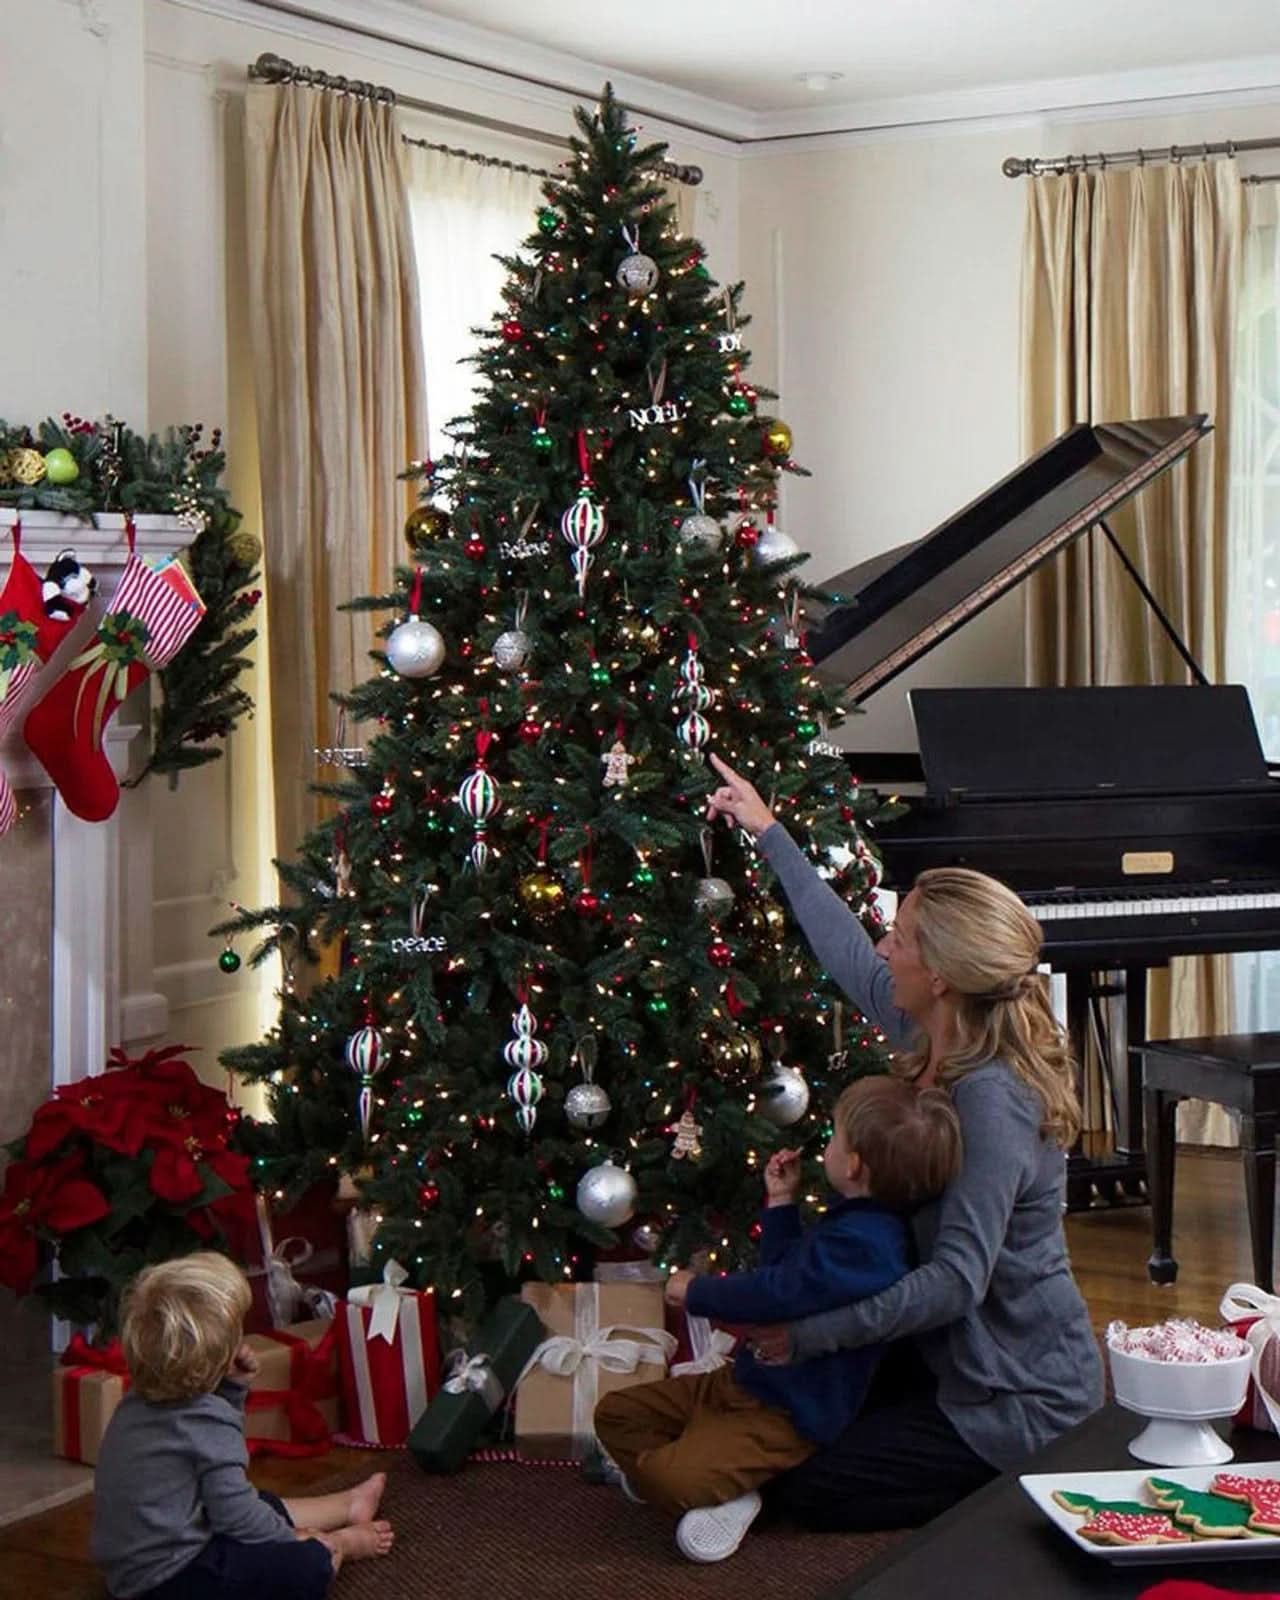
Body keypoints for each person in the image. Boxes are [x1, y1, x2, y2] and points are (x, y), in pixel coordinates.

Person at [702, 752, 1104, 1533]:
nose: (886, 947)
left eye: (903, 937)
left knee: (799, 1484)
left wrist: (810, 1334)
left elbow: (958, 1282)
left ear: (944, 976)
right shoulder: (932, 1027)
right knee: (781, 1420)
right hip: (945, 1357)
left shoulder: (992, 1098)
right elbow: (846, 953)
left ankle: (1019, 1486)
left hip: (1016, 1394)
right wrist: (768, 829)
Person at [595, 1074, 963, 1563]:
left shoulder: (869, 1246)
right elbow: (787, 1274)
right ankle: (726, 1477)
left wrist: (699, 1291)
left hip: (784, 1416)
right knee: (615, 1415)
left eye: (835, 1136)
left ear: (853, 1164)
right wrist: (782, 1205)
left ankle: (741, 1484)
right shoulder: (851, 1220)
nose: (826, 1146)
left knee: (667, 1478)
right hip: (745, 1382)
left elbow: (779, 1292)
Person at [91, 1252, 395, 1600]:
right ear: (216, 1356)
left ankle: (348, 1504)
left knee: (255, 1502)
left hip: (137, 1566)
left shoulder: (137, 1400)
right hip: (173, 1579)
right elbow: (232, 1511)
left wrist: (231, 1387)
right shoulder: (204, 1419)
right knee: (303, 1565)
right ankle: (338, 1544)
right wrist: (289, 1539)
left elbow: (214, 1459)